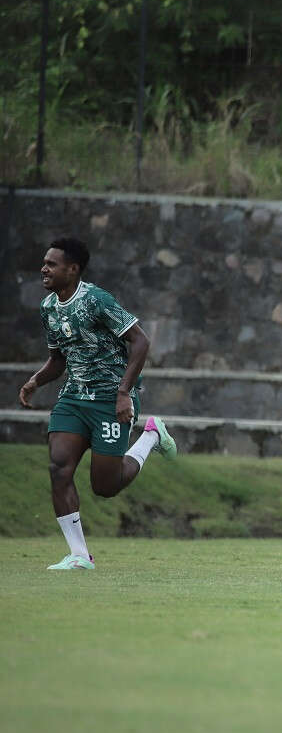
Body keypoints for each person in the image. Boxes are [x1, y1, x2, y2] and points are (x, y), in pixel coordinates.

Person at [18, 237, 178, 570]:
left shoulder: (96, 300)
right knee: (58, 468)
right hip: (73, 398)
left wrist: (124, 393)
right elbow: (58, 359)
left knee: (106, 486)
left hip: (110, 398)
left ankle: (151, 436)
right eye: (44, 262)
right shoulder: (49, 307)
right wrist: (36, 380)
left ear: (72, 269)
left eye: (52, 264)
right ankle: (79, 556)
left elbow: (141, 341)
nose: (44, 268)